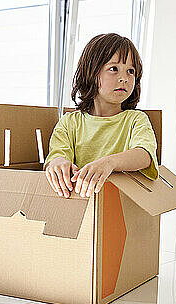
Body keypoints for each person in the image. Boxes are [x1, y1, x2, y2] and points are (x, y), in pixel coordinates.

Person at [44, 33, 158, 198]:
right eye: (114, 69)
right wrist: (58, 163)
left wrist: (109, 163)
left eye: (131, 71)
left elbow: (145, 155)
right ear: (91, 72)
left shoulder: (136, 119)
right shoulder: (70, 122)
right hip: (79, 205)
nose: (124, 78)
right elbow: (57, 155)